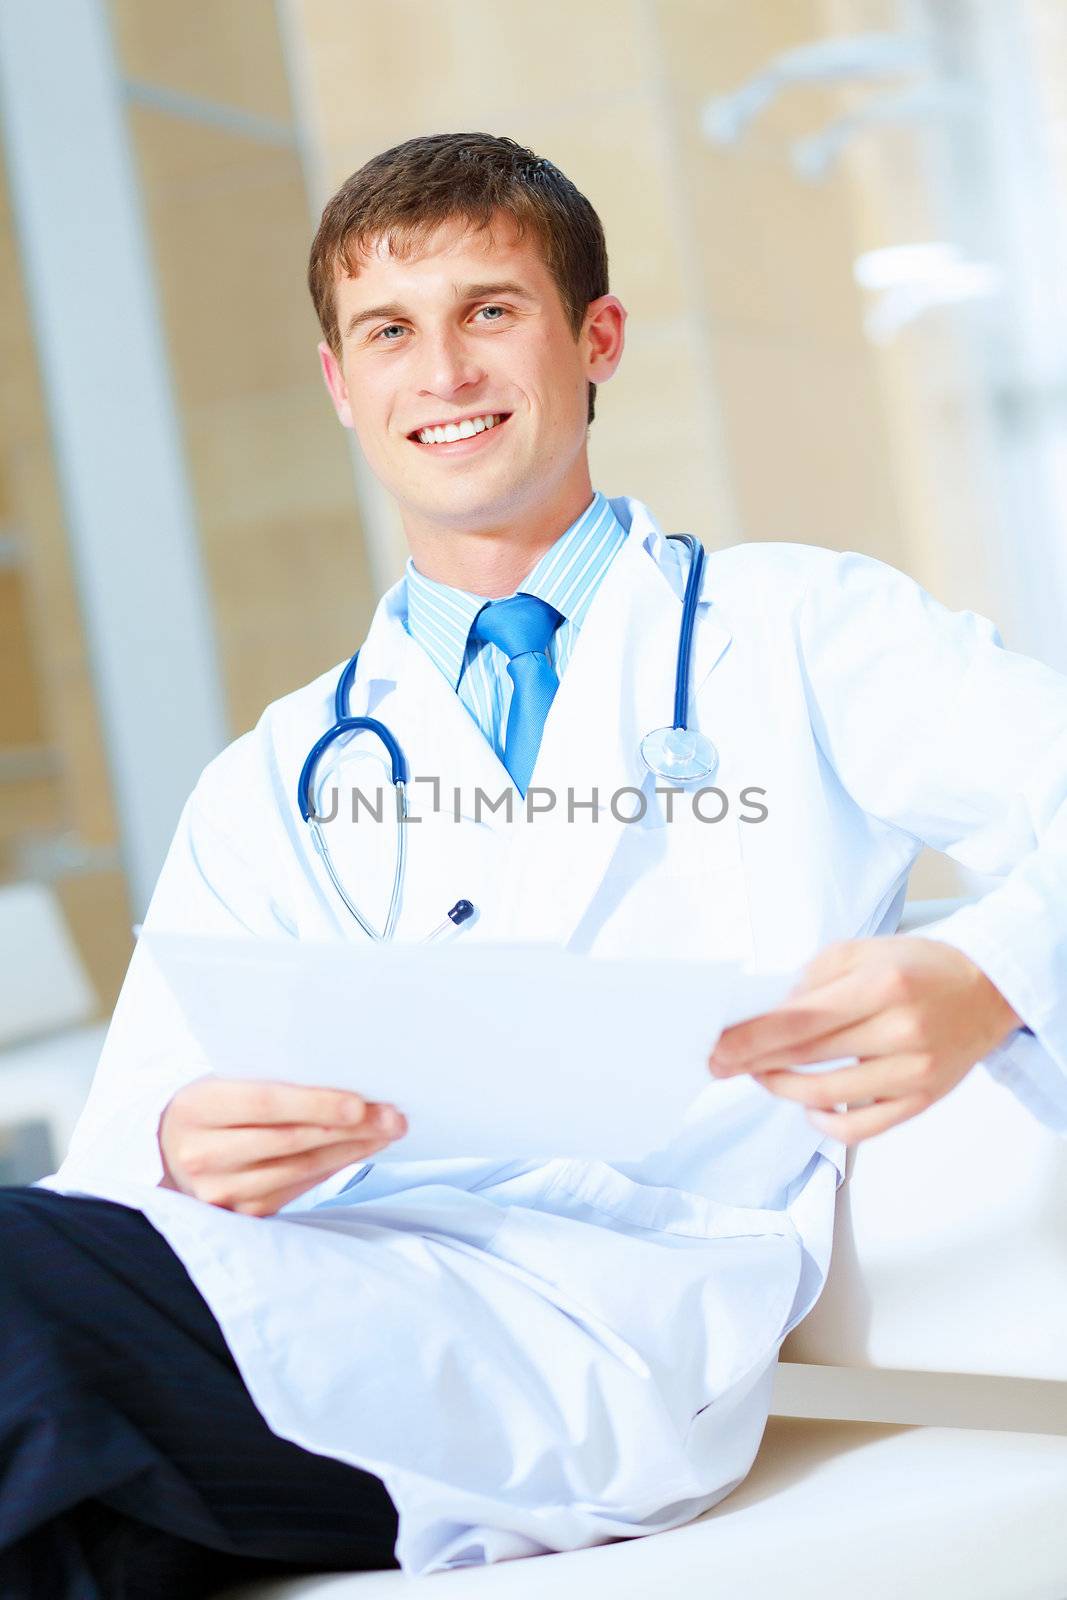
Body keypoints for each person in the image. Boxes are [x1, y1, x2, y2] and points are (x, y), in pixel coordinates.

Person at [3, 131, 1066, 1598]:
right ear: (340, 385)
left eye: (490, 312)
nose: (441, 373)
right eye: (389, 331)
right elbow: (131, 1137)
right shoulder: (280, 770)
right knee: (62, 1509)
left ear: (596, 341)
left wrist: (994, 971)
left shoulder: (802, 632)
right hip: (322, 1289)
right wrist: (187, 1142)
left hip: (621, 1320)